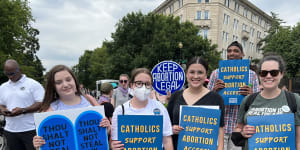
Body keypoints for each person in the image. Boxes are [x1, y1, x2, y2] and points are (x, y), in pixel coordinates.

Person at [32, 65, 110, 149]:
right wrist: (38, 144)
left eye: (68, 79)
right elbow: (44, 145)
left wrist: (107, 125)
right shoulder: (49, 111)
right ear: (53, 86)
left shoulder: (89, 99)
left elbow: (106, 132)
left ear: (74, 80)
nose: (65, 84)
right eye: (59, 82)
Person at [235, 54, 300, 150]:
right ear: (259, 75)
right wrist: (242, 133)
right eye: (263, 73)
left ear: (281, 74)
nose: (268, 76)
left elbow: (298, 140)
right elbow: (237, 129)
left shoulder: (294, 99)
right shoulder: (248, 100)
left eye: (274, 72)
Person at [208, 41, 260, 150]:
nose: (232, 53)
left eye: (236, 51)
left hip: (239, 129)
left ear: (242, 55)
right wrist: (214, 91)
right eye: (229, 51)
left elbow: (258, 104)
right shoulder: (216, 74)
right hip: (219, 127)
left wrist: (251, 95)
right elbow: (205, 100)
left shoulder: (252, 75)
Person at [167, 56, 225, 149]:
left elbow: (220, 133)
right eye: (192, 72)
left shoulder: (216, 99)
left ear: (206, 75)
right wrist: (172, 129)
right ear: (186, 74)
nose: (196, 76)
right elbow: (166, 126)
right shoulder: (176, 96)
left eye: (200, 72)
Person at [111, 68, 174, 150]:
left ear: (151, 86)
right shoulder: (120, 110)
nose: (143, 87)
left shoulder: (159, 108)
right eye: (139, 83)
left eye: (147, 84)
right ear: (132, 85)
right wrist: (113, 146)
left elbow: (167, 140)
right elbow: (114, 141)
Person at [0, 59, 45, 150]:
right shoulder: (3, 87)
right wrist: (3, 110)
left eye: (12, 73)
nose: (10, 77)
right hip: (10, 130)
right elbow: (1, 104)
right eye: (7, 74)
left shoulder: (33, 84)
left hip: (30, 129)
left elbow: (42, 103)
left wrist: (23, 110)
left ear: (19, 70)